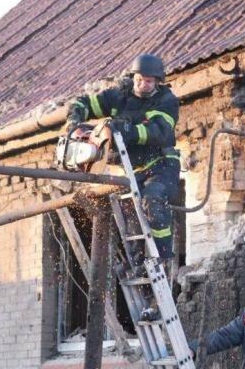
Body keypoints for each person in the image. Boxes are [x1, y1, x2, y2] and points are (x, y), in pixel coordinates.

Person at [66, 53, 180, 264]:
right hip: (132, 170)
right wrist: (74, 120)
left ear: (157, 82)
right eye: (139, 80)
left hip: (161, 165)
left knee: (152, 200)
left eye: (148, 81)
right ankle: (138, 265)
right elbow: (86, 103)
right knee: (132, 216)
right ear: (133, 77)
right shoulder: (119, 96)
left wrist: (127, 130)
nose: (143, 85)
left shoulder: (166, 101)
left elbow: (159, 132)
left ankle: (162, 258)